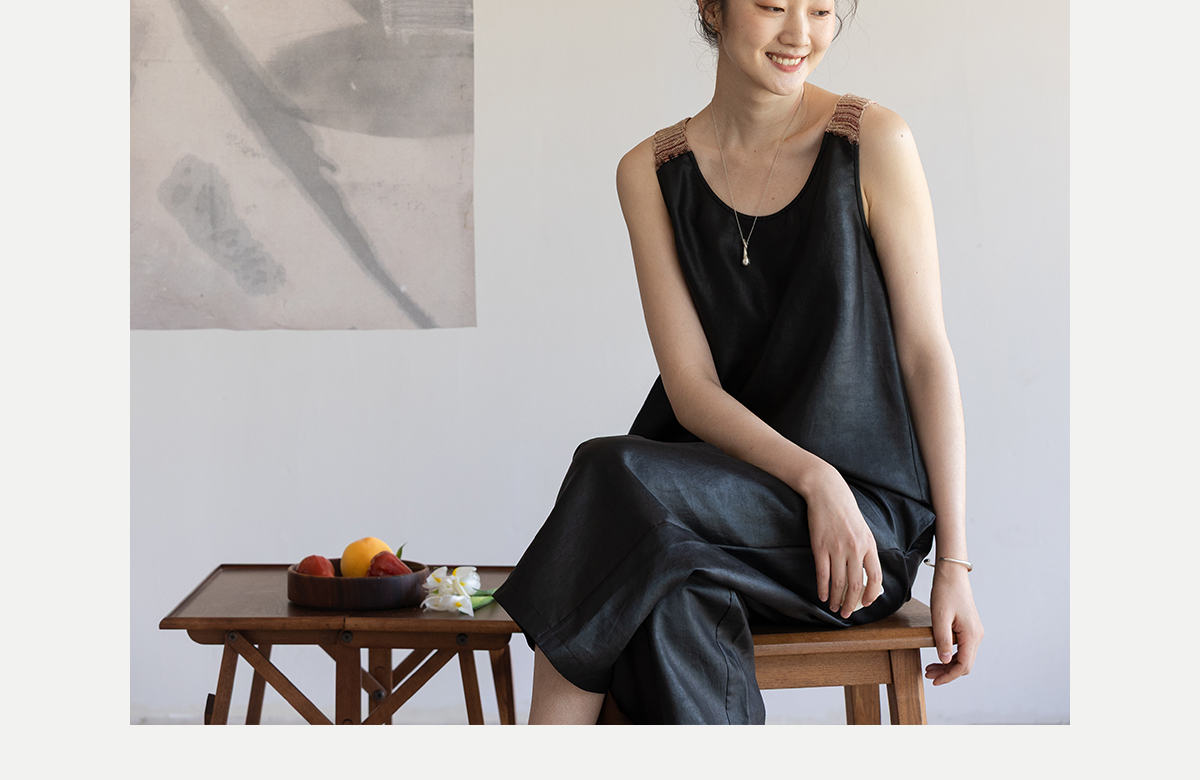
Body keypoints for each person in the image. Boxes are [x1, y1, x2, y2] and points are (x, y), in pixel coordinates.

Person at [492, 0, 983, 725]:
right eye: (772, 5)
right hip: (706, 508)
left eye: (821, 10)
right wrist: (813, 476)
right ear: (711, 9)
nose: (800, 34)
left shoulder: (873, 140)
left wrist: (954, 566)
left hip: (859, 531)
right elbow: (690, 388)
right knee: (667, 602)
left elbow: (926, 357)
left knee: (608, 476)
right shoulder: (649, 172)